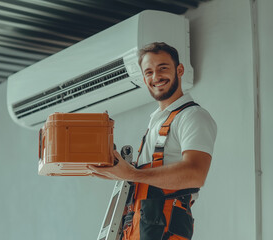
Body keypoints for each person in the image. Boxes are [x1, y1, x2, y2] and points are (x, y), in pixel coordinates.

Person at [89, 42, 217, 240]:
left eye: (162, 68)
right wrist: (116, 172)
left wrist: (133, 173)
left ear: (180, 69)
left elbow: (195, 174)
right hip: (139, 228)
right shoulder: (157, 121)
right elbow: (142, 179)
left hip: (164, 231)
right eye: (148, 72)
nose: (155, 77)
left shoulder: (192, 116)